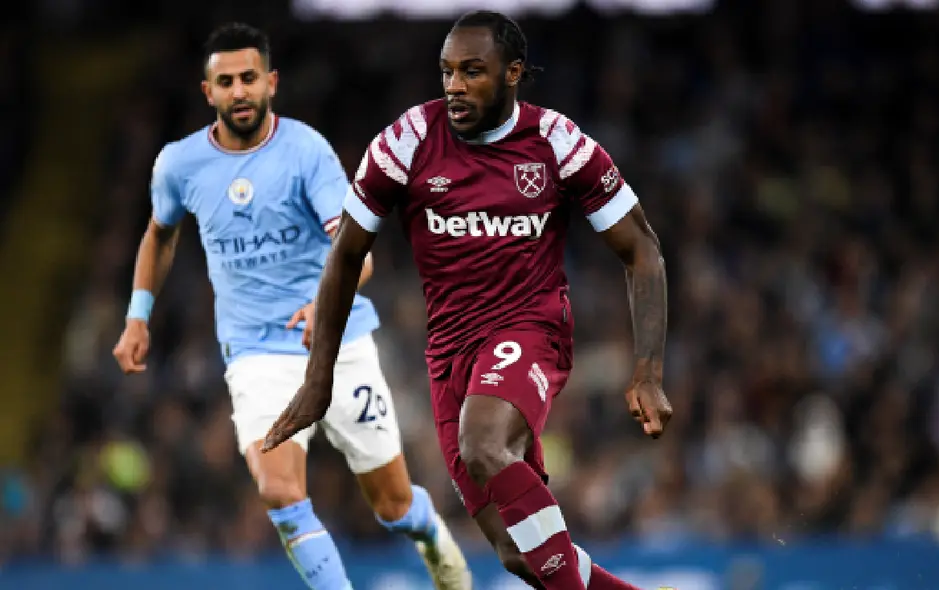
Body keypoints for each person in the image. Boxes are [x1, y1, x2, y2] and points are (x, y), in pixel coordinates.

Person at [262, 10, 672, 590]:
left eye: (472, 72)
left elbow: (643, 251)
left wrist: (648, 371)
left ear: (512, 74)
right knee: (518, 554)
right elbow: (344, 256)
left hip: (530, 330)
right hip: (449, 354)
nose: (454, 86)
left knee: (483, 444)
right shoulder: (406, 142)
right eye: (446, 72)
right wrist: (317, 378)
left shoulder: (556, 142)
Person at [111, 22, 471, 590]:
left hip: (339, 342)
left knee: (392, 506)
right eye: (225, 81)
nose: (239, 91)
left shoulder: (306, 152)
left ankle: (431, 534)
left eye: (249, 78)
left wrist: (319, 304)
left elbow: (361, 254)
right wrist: (138, 315)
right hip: (256, 352)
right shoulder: (179, 165)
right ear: (208, 92)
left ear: (271, 82)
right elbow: (160, 233)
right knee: (279, 491)